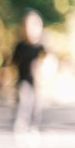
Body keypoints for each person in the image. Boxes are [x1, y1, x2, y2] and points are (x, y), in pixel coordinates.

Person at [12, 9, 47, 137]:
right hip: (23, 80)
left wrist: (43, 68)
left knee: (36, 103)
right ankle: (21, 125)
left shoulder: (41, 47)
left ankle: (34, 126)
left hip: (38, 81)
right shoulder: (20, 46)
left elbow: (48, 60)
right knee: (23, 101)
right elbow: (13, 62)